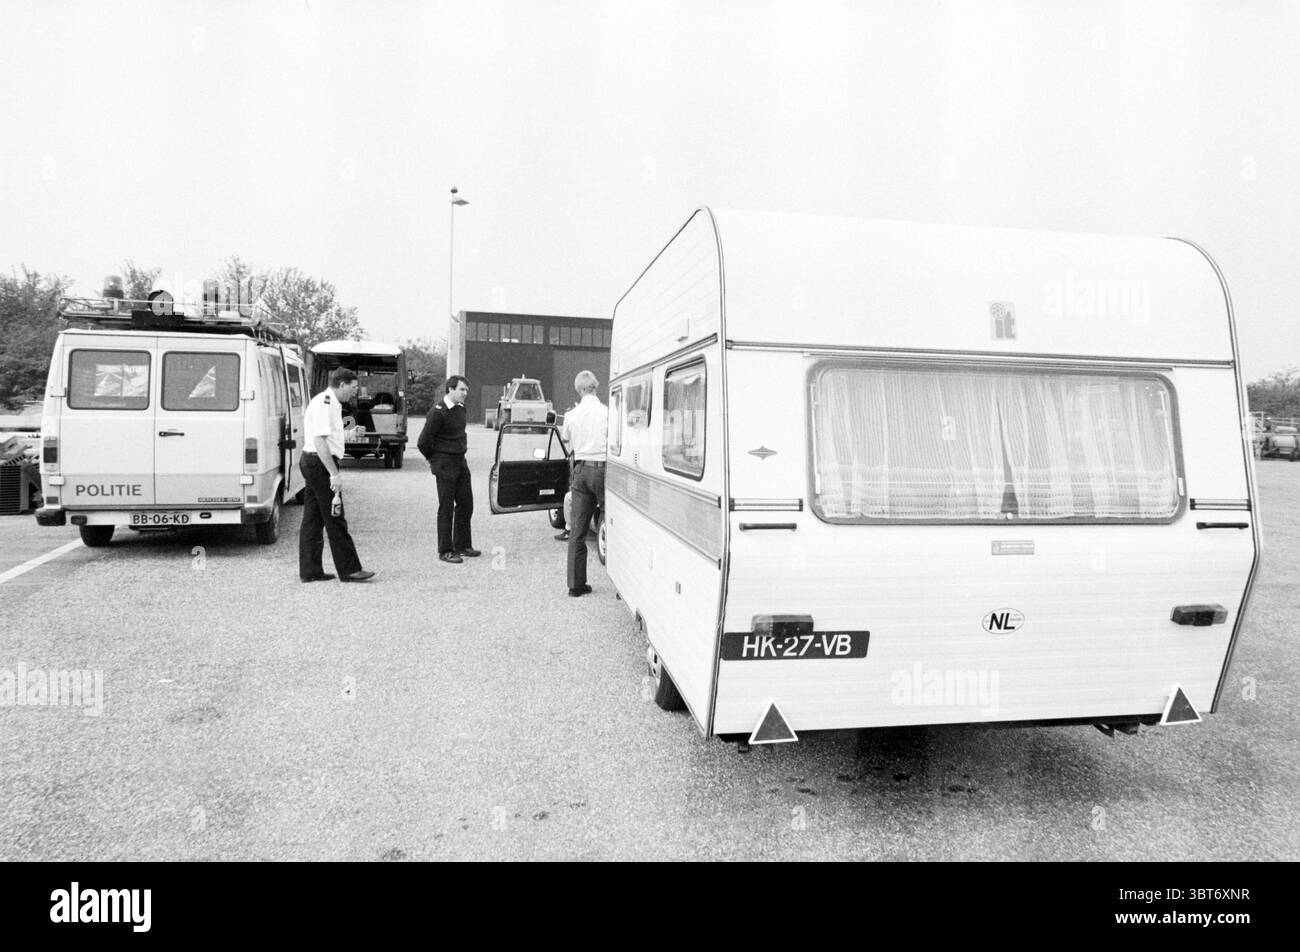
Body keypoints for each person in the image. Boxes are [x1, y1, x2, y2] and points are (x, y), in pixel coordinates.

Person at [299, 367, 375, 583]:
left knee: (312, 521)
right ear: (341, 384)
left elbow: (330, 434)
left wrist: (349, 433)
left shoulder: (329, 402)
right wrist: (334, 474)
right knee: (335, 517)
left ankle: (310, 571)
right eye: (353, 387)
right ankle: (349, 569)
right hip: (320, 463)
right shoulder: (326, 402)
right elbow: (320, 441)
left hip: (314, 461)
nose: (355, 392)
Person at [417, 375, 480, 564]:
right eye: (462, 390)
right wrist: (435, 461)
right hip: (444, 464)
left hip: (460, 461)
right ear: (450, 389)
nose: (465, 393)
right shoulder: (438, 412)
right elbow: (423, 442)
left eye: (467, 390)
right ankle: (445, 550)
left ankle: (462, 545)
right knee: (446, 507)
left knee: (466, 503)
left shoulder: (461, 409)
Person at [560, 370, 607, 596]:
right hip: (603, 470)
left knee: (577, 531)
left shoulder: (571, 414)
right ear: (596, 387)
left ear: (578, 389)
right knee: (613, 522)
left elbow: (565, 438)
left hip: (580, 471)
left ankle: (576, 586)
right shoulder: (607, 412)